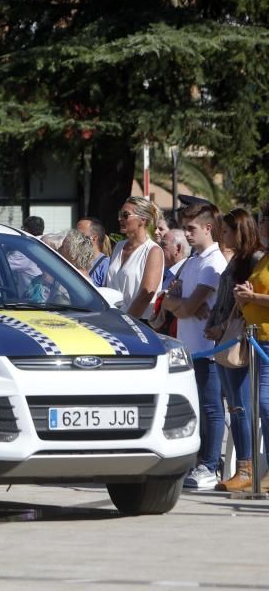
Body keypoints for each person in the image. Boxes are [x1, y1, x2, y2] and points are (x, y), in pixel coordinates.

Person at [162, 203, 227, 490]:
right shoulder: (192, 261)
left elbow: (186, 304)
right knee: (196, 406)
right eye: (185, 228)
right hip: (189, 346)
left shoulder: (213, 263)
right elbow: (171, 299)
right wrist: (181, 305)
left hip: (208, 349)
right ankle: (199, 459)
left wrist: (183, 305)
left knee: (211, 408)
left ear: (208, 228)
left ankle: (210, 464)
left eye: (192, 228)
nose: (186, 234)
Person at [204, 209, 263, 491]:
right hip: (224, 336)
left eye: (226, 231)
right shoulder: (237, 259)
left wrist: (225, 324)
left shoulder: (253, 259)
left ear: (240, 231)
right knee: (235, 405)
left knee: (242, 405)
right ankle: (243, 466)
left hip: (242, 336)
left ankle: (247, 466)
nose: (222, 235)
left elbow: (243, 301)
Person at [234, 201, 269, 487]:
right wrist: (243, 294)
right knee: (262, 405)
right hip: (259, 339)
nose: (262, 225)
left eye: (265, 219)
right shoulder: (265, 259)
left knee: (265, 404)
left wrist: (253, 298)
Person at [106, 196, 164, 319]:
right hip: (114, 319)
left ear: (142, 220)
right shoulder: (118, 247)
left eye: (125, 215)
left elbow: (146, 295)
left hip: (138, 322)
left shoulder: (153, 251)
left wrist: (127, 323)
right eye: (120, 214)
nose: (119, 219)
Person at [76, 217, 111, 287]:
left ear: (94, 238)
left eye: (80, 236)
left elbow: (106, 294)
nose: (75, 240)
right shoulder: (75, 260)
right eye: (75, 235)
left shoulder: (106, 265)